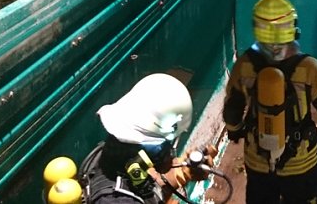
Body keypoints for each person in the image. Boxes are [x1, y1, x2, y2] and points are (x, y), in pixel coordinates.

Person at [223, 0, 317, 204]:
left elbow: (232, 109)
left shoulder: (245, 65)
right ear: (292, 27)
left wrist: (235, 131)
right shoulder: (309, 67)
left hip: (257, 159)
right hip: (300, 162)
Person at [77, 73, 214, 203]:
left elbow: (147, 187)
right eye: (164, 144)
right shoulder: (117, 199)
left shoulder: (120, 158)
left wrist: (181, 173)